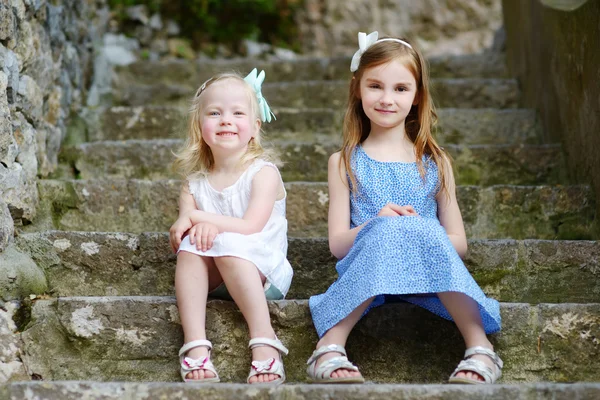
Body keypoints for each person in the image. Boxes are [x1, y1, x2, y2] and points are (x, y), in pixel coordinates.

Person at [306, 32, 502, 385]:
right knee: (385, 228)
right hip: (368, 270)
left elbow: (458, 243)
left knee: (421, 228)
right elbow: (337, 245)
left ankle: (479, 346)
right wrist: (377, 224)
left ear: (417, 97)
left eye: (400, 88)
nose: (386, 98)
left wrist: (418, 230)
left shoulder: (436, 163)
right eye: (375, 86)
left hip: (429, 274)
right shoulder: (344, 162)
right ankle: (330, 345)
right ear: (357, 89)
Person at [169, 69, 293, 385]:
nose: (226, 120)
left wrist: (201, 220)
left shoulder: (262, 173)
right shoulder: (194, 184)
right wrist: (187, 228)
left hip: (264, 272)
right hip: (216, 275)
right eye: (215, 113)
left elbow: (251, 226)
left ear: (254, 127)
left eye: (237, 113)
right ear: (199, 126)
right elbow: (184, 229)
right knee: (189, 248)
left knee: (229, 244)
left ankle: (265, 343)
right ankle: (195, 344)